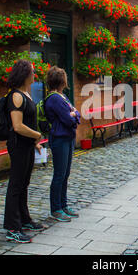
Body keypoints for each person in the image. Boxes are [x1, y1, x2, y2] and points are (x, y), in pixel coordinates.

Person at [3, 60, 45, 244]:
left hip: (27, 145)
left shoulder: (26, 94)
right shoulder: (16, 97)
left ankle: (24, 219)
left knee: (24, 183)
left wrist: (35, 142)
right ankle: (12, 227)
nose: (34, 75)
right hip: (18, 145)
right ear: (25, 74)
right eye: (32, 72)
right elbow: (18, 126)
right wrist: (37, 135)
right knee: (16, 185)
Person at [45, 66, 81, 222]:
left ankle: (64, 205)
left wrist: (73, 115)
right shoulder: (54, 98)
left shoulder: (63, 97)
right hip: (60, 139)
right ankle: (56, 209)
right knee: (59, 174)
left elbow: (76, 114)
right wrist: (73, 115)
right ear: (62, 81)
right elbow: (69, 119)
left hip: (68, 138)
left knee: (65, 174)